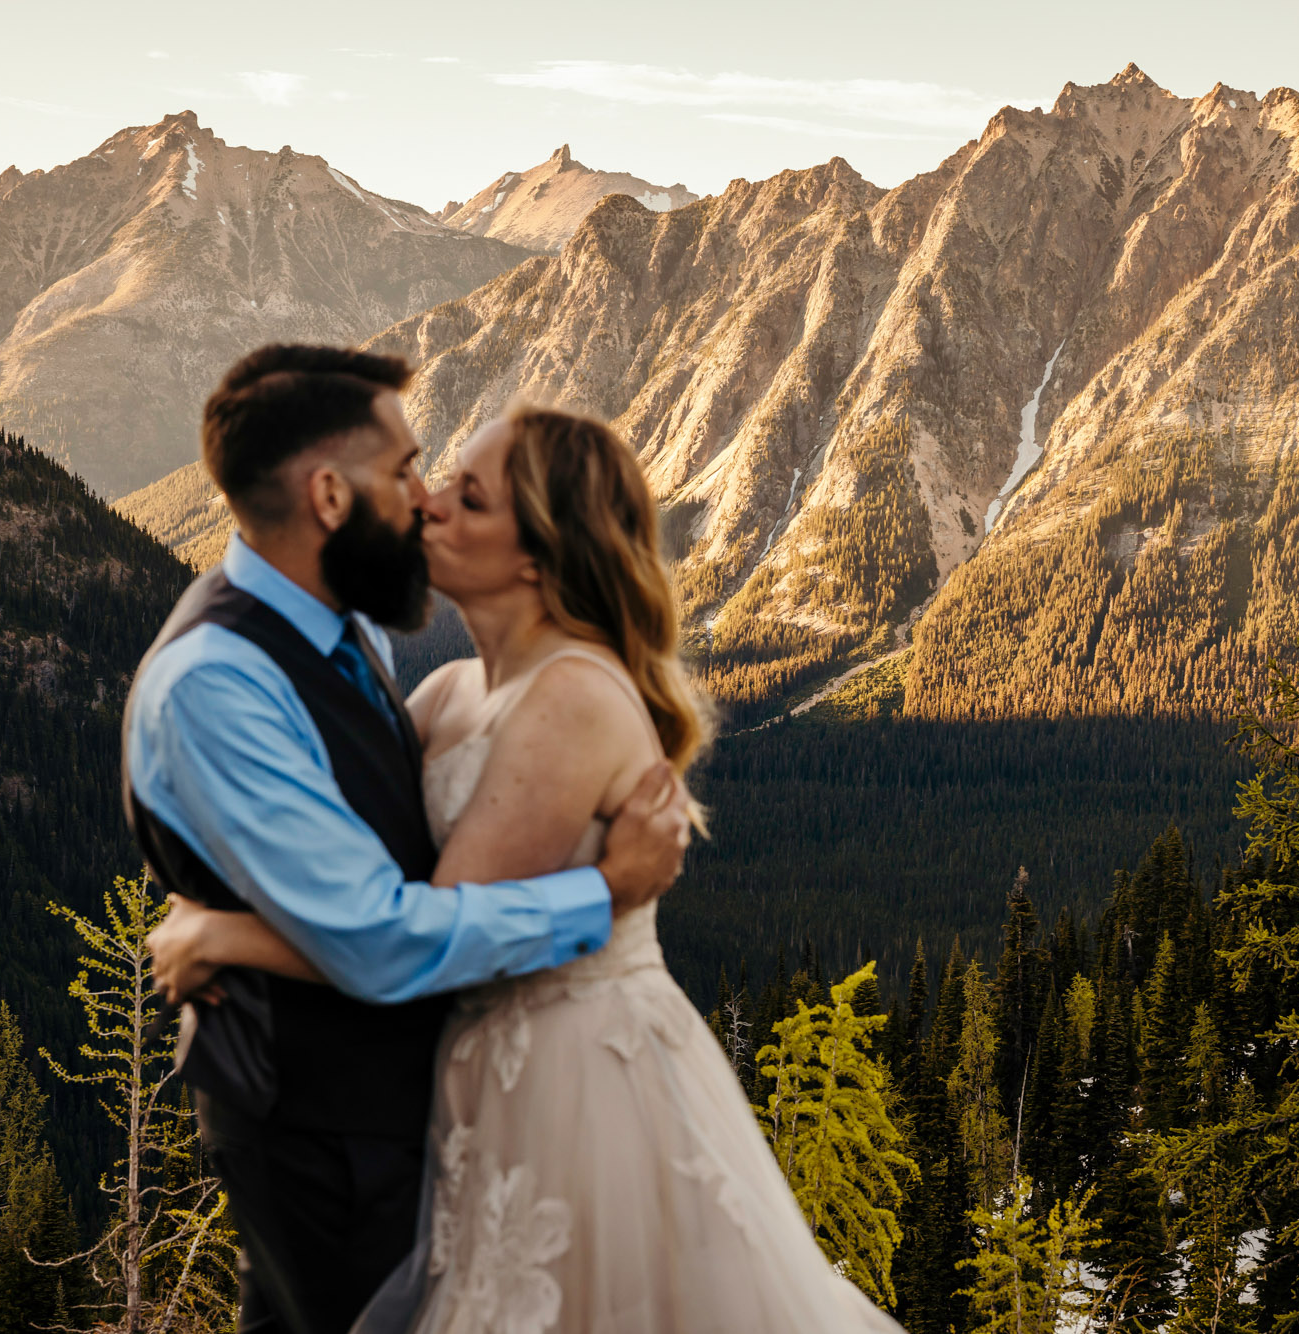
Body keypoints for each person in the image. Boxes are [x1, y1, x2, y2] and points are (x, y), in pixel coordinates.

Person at [151, 406, 905, 1332]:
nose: (425, 504)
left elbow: (430, 932)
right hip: (483, 1087)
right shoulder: (449, 692)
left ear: (538, 559)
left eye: (468, 498)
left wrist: (228, 936)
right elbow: (361, 891)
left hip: (578, 1084)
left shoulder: (574, 697)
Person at [125, 345, 693, 1334]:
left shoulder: (350, 636)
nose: (424, 498)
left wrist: (220, 929)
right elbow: (381, 931)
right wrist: (603, 892)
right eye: (406, 471)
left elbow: (381, 883)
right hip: (316, 1124)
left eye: (452, 485)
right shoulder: (218, 680)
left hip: (458, 1104)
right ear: (331, 496)